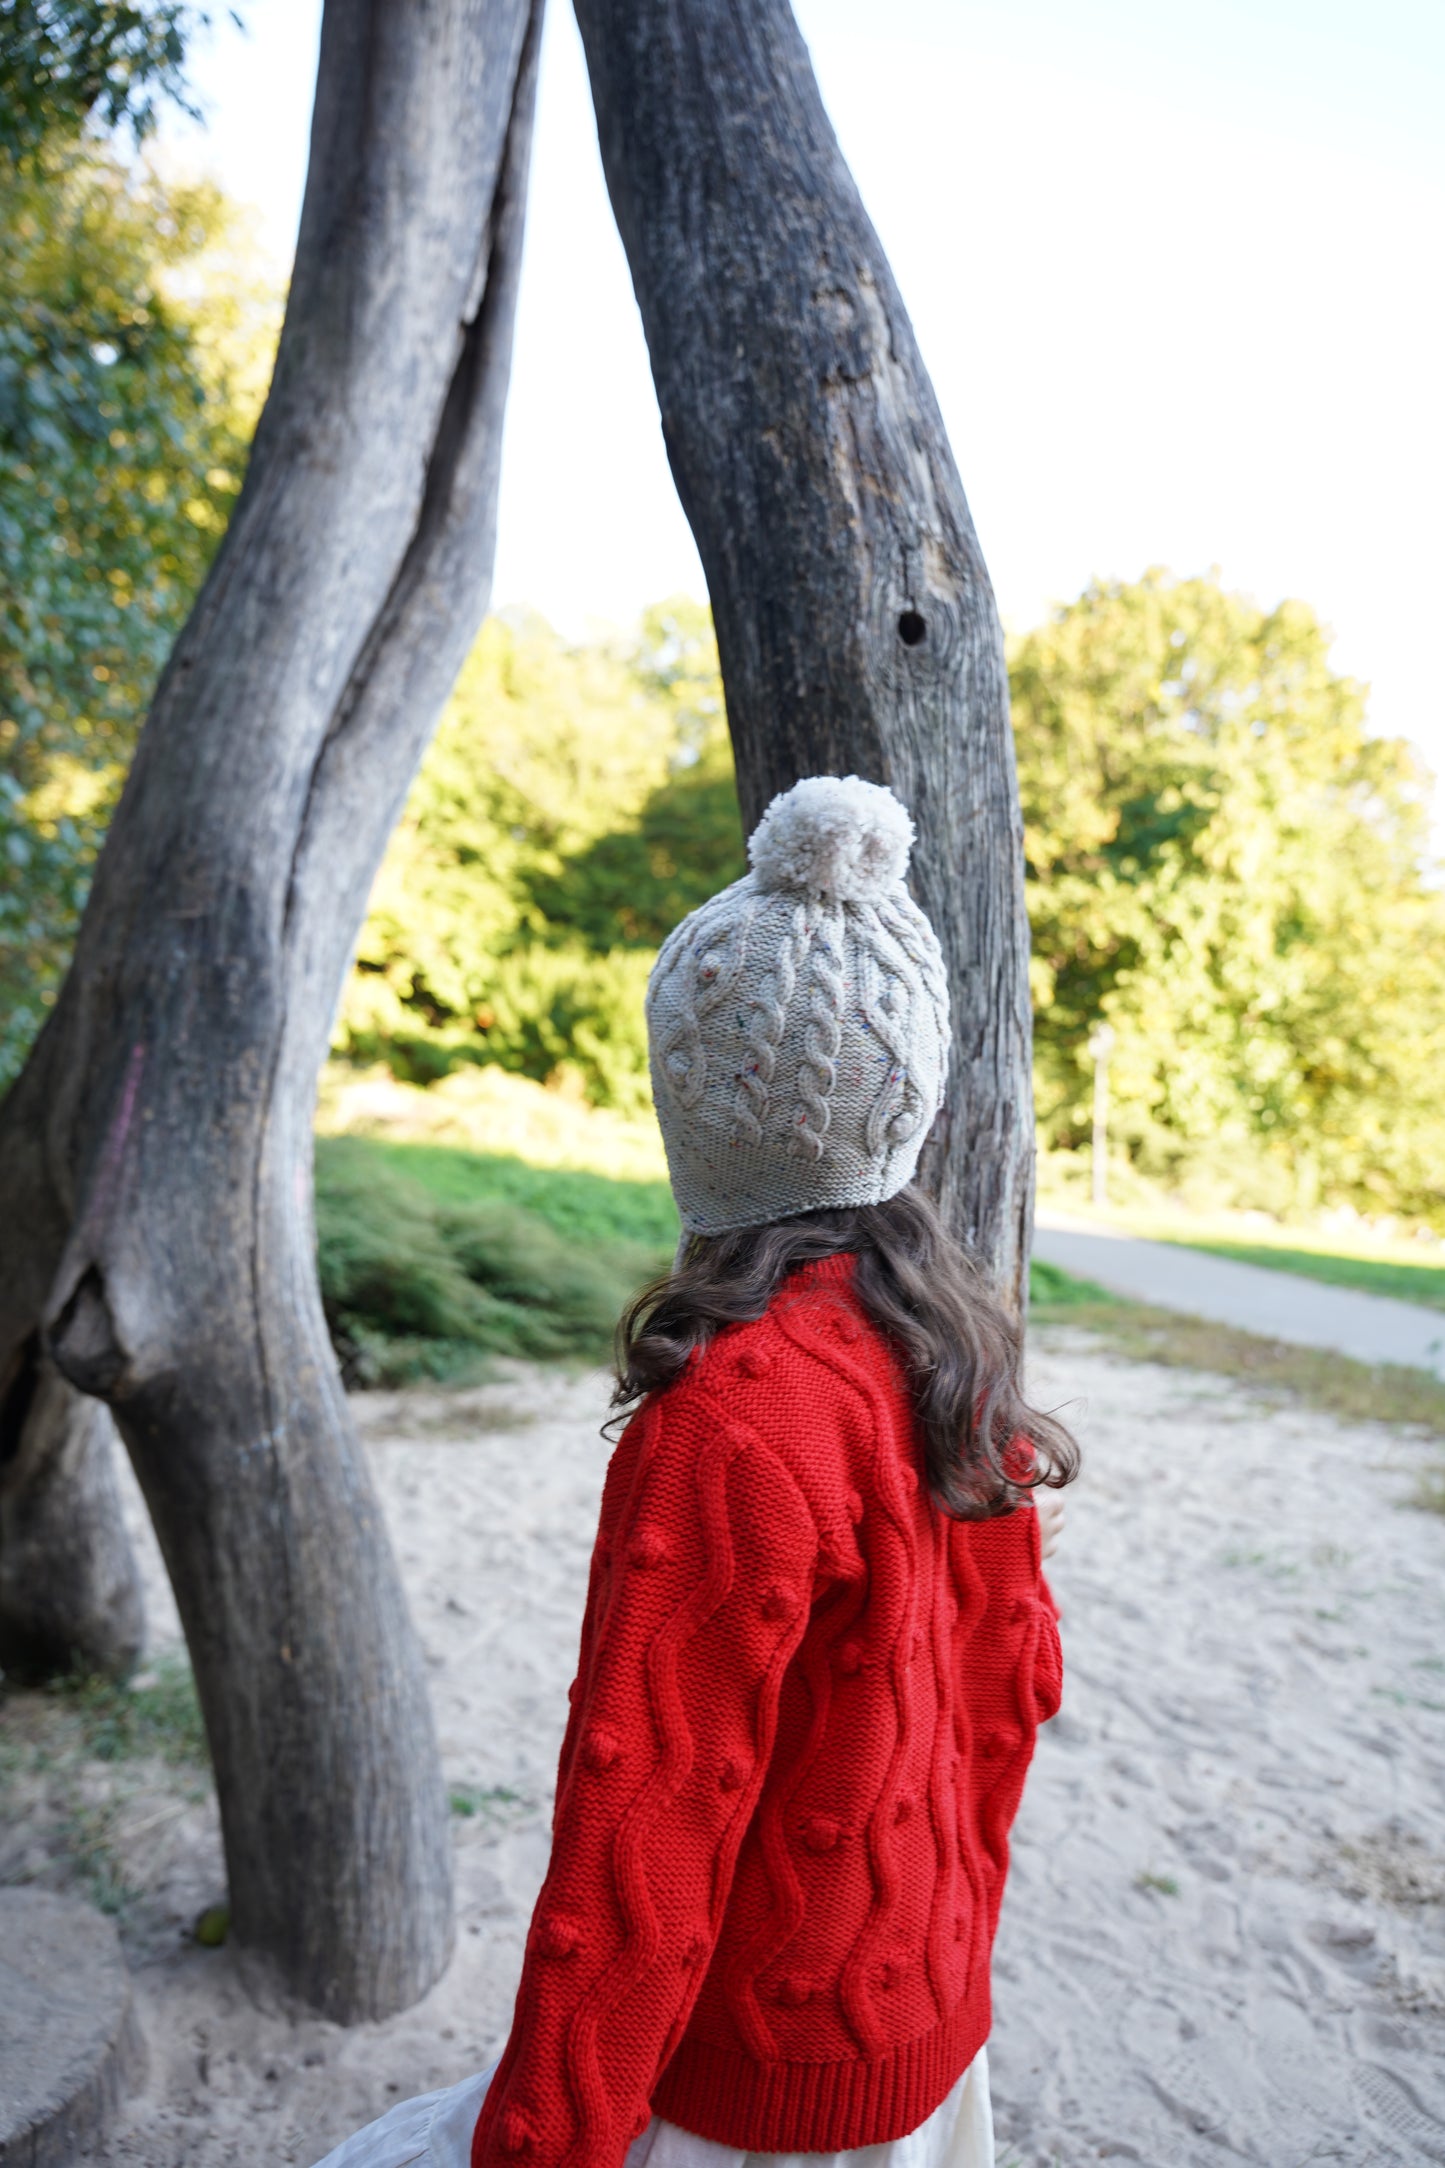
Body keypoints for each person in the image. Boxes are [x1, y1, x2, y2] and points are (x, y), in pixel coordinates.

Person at [314, 775, 1076, 2168]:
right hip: (925, 2030)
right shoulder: (957, 1348)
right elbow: (1007, 1705)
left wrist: (541, 2149)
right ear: (909, 1089)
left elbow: (641, 1841)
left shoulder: (728, 1418)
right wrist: (929, 1968)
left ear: (690, 1106)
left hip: (749, 2089)